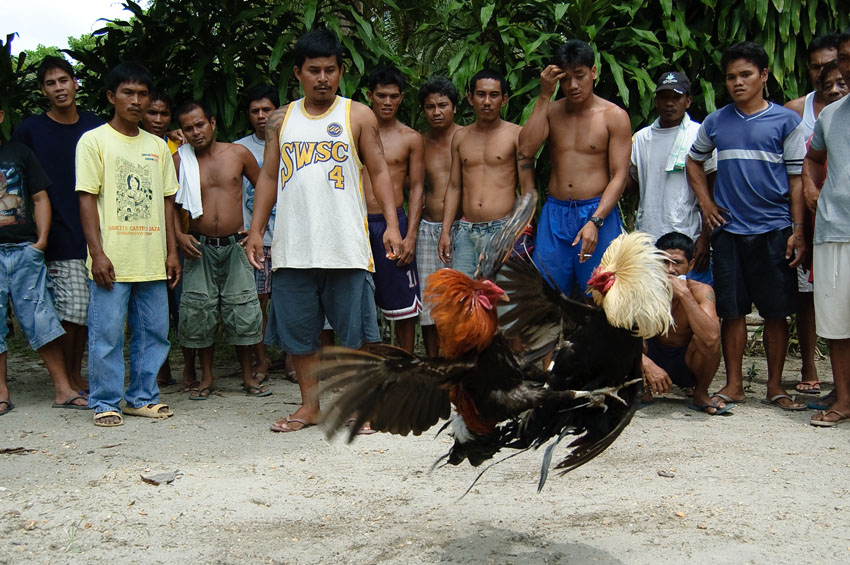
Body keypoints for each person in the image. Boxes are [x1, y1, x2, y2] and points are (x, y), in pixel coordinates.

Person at [244, 29, 402, 433]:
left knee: (355, 335)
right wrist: (256, 230)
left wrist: (392, 225)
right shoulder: (281, 118)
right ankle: (309, 407)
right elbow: (267, 176)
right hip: (294, 246)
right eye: (313, 70)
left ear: (341, 71)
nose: (322, 78)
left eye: (330, 70)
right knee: (300, 334)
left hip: (346, 244)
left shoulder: (358, 115)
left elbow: (380, 171)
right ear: (298, 72)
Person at [686, 41, 807, 411]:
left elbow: (797, 179)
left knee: (775, 311)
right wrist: (706, 203)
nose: (737, 83)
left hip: (774, 229)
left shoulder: (786, 122)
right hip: (730, 231)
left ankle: (774, 387)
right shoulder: (715, 121)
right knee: (732, 311)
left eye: (746, 75)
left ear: (764, 76)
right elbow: (694, 162)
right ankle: (735, 384)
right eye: (731, 77)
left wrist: (798, 229)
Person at [75, 62, 180, 426]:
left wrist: (171, 251)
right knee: (106, 334)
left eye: (142, 94)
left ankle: (142, 397)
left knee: (154, 332)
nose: (136, 101)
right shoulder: (94, 141)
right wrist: (97, 252)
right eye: (128, 93)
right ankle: (105, 401)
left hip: (151, 257)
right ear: (111, 96)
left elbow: (167, 201)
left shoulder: (157, 147)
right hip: (112, 259)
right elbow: (86, 198)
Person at [12, 56, 103, 395]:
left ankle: (74, 375)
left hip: (96, 231)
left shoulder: (95, 125)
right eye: (51, 83)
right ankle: (67, 380)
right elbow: (17, 180)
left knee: (85, 312)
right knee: (71, 311)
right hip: (57, 233)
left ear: (75, 82)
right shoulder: (30, 130)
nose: (59, 88)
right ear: (43, 90)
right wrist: (35, 237)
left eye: (63, 80)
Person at [518, 40, 631, 295]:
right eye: (565, 79)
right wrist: (545, 94)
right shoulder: (552, 111)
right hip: (555, 214)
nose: (573, 86)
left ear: (593, 72)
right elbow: (525, 149)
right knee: (546, 294)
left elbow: (619, 176)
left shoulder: (613, 116)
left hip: (596, 210)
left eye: (579, 76)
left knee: (602, 294)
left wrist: (596, 220)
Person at [0, 107, 91, 414]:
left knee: (41, 318)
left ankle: (63, 389)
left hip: (24, 250)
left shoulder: (19, 152)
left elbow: (40, 197)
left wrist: (39, 242)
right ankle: (1, 391)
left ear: (1, 116)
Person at [172, 101, 265, 399]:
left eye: (200, 124)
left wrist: (255, 231)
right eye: (188, 128)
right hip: (198, 246)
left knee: (243, 310)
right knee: (199, 313)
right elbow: (170, 202)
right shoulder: (180, 160)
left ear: (212, 122)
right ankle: (206, 378)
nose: (196, 132)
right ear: (183, 132)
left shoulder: (237, 154)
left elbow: (265, 187)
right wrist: (178, 234)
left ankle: (248, 377)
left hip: (234, 246)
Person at [785, 38, 843, 395]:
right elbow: (795, 164)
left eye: (831, 65)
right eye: (815, 67)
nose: (824, 73)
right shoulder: (796, 109)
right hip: (808, 213)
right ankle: (808, 364)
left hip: (840, 211)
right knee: (806, 294)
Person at [437, 69, 536, 277]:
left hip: (504, 230)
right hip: (466, 232)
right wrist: (446, 231)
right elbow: (454, 186)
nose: (487, 101)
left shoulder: (517, 135)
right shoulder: (460, 137)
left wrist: (520, 232)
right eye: (481, 95)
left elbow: (528, 188)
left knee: (506, 304)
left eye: (494, 95)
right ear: (470, 99)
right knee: (464, 302)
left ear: (504, 99)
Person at [627, 71, 716, 285]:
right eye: (664, 97)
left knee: (691, 302)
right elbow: (632, 184)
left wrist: (705, 238)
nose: (669, 103)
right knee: (652, 308)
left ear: (687, 101)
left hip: (689, 238)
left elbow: (712, 192)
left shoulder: (699, 134)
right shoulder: (641, 138)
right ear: (656, 101)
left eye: (676, 97)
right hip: (649, 238)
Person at [803, 29, 850, 426]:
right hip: (835, 229)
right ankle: (844, 399)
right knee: (837, 323)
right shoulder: (831, 115)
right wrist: (810, 186)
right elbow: (813, 158)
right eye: (846, 57)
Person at [363, 65, 424, 353]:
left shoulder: (410, 138)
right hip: (358, 223)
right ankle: (364, 365)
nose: (387, 102)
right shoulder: (354, 133)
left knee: (402, 301)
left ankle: (406, 363)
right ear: (369, 96)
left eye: (394, 96)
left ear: (401, 98)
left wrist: (410, 234)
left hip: (393, 223)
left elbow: (418, 188)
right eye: (381, 95)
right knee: (358, 295)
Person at [641, 232, 723, 413]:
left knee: (708, 339)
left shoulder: (702, 290)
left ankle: (701, 393)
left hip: (686, 362)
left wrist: (685, 295)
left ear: (690, 265)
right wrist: (646, 364)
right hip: (651, 356)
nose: (670, 270)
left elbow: (711, 337)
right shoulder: (642, 290)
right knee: (634, 337)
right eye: (663, 262)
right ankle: (642, 389)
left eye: (677, 263)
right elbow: (619, 337)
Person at [235, 85, 279, 381]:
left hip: (291, 237)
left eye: (267, 109)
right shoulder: (239, 149)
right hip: (257, 239)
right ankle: (261, 360)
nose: (262, 116)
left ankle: (291, 360)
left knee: (291, 301)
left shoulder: (293, 141)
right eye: (255, 111)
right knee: (258, 302)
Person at [417, 77, 463, 356]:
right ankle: (434, 361)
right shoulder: (418, 142)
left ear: (455, 107)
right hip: (427, 228)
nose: (436, 112)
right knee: (429, 299)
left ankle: (456, 357)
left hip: (464, 228)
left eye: (442, 105)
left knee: (460, 299)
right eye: (430, 106)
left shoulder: (468, 137)